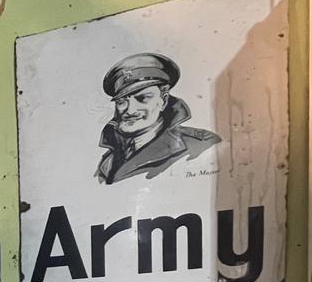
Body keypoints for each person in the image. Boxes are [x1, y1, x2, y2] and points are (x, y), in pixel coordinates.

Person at [95, 53, 221, 184]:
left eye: (142, 98)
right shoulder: (109, 160)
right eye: (121, 102)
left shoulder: (202, 146)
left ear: (164, 100)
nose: (130, 110)